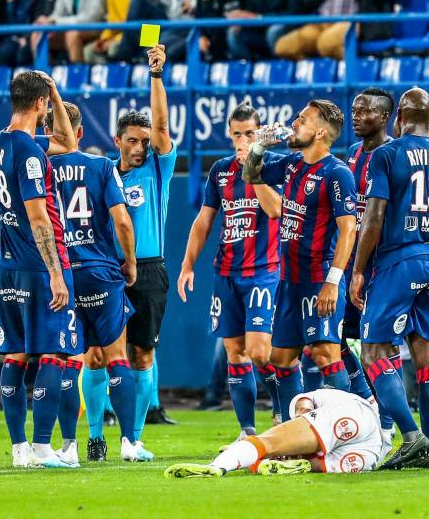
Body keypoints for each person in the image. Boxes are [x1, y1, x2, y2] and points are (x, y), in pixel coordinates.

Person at [349, 87, 429, 470]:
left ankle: (411, 436)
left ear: (399, 115)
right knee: (425, 352)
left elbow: (374, 217)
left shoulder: (387, 154)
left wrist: (358, 270)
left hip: (399, 260)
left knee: (373, 352)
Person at [44, 102, 153, 464]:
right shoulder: (102, 166)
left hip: (62, 274)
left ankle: (70, 447)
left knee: (70, 359)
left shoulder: (37, 169)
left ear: (48, 132)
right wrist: (131, 263)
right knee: (115, 356)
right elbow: (122, 221)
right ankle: (128, 443)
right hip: (102, 272)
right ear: (78, 132)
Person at [242, 99, 358, 422]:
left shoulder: (337, 173)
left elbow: (349, 229)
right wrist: (259, 147)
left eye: (302, 120)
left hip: (319, 277)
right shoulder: (293, 163)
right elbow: (250, 174)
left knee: (325, 354)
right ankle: (297, 429)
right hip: (289, 280)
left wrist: (333, 282)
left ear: (320, 132)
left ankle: (347, 427)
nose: (294, 123)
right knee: (280, 358)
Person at [177, 101, 283, 443]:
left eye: (249, 133)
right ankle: (247, 430)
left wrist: (253, 170)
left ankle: (282, 409)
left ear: (259, 132)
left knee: (260, 351)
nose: (241, 139)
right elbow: (204, 221)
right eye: (236, 134)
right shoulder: (220, 171)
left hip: (263, 272)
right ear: (229, 134)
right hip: (226, 274)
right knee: (235, 352)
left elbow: (276, 210)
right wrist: (187, 265)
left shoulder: (274, 165)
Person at [0, 70, 78, 468]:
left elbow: (66, 143)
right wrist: (56, 272)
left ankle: (19, 449)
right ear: (40, 104)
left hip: (7, 265)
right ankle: (43, 448)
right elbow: (39, 218)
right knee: (52, 355)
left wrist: (52, 93)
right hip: (36, 265)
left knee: (15, 356)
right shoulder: (29, 153)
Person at [115, 44, 177, 433]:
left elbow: (162, 127)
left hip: (150, 270)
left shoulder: (157, 169)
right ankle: (99, 429)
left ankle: (134, 435)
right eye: (132, 141)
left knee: (141, 353)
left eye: (144, 140)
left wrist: (156, 76)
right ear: (117, 139)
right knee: (105, 353)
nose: (140, 147)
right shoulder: (104, 174)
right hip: (110, 269)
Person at [163, 388, 390, 477]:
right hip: (374, 449)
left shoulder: (328, 396)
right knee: (316, 464)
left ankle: (217, 467)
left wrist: (303, 418)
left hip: (354, 413)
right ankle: (295, 465)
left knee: (268, 442)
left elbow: (303, 403)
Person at [341, 88, 395, 429]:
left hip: (382, 266)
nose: (357, 117)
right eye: (355, 111)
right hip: (349, 263)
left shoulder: (394, 155)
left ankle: (388, 422)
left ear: (385, 117)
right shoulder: (350, 154)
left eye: (366, 111)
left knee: (382, 343)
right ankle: (368, 397)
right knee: (335, 338)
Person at [273, 0, 396, 61]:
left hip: (352, 22)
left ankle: (357, 69)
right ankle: (315, 72)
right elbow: (305, 3)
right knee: (284, 47)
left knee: (326, 44)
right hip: (320, 23)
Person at [35, 0, 111, 63]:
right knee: (38, 34)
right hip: (71, 27)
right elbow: (59, 11)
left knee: (72, 35)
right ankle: (43, 76)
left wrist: (55, 21)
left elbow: (95, 16)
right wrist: (48, 20)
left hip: (97, 26)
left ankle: (77, 75)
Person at [83, 0, 141, 64]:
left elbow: (140, 25)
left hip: (139, 35)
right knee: (88, 52)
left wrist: (116, 40)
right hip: (120, 36)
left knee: (114, 48)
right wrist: (103, 40)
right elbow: (112, 24)